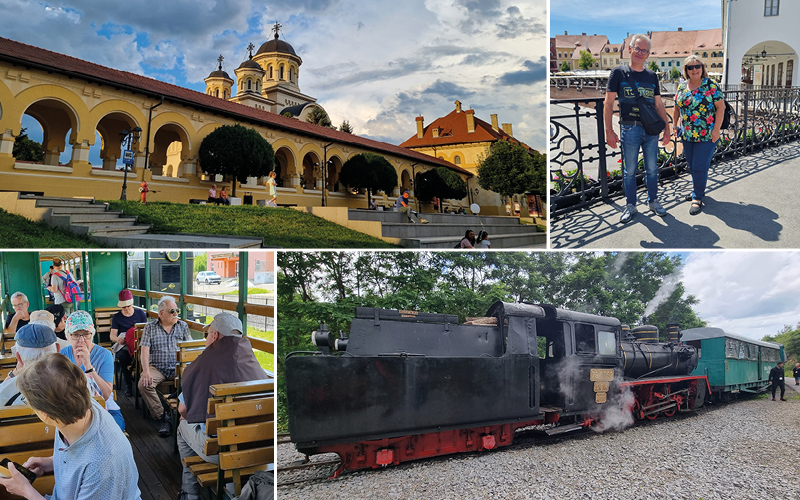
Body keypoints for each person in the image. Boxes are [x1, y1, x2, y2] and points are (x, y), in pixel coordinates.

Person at [0, 353, 142, 500]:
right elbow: (81, 456)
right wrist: (51, 462)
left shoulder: (102, 465)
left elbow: (91, 461)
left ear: (44, 415)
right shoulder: (77, 404)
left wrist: (26, 491)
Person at [176, 312, 268, 500]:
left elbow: (183, 410)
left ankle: (190, 493)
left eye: (207, 333)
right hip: (261, 449)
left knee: (182, 426)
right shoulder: (253, 362)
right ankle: (234, 489)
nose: (206, 338)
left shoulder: (203, 363)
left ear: (215, 335)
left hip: (221, 453)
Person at [604, 33, 671, 223]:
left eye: (645, 50)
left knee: (652, 169)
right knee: (630, 171)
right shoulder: (618, 72)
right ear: (630, 49)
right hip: (629, 128)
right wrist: (609, 130)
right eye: (638, 48)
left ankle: (653, 201)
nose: (640, 53)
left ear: (648, 54)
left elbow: (658, 105)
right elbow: (608, 104)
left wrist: (667, 129)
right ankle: (630, 205)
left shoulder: (651, 76)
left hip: (650, 130)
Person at [671, 55, 725, 216]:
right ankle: (698, 190)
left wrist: (716, 130)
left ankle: (697, 198)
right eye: (690, 67)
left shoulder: (710, 85)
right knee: (693, 165)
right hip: (687, 134)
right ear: (686, 70)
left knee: (699, 166)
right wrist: (674, 125)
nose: (694, 69)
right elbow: (676, 107)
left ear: (702, 68)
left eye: (697, 66)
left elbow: (720, 108)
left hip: (707, 135)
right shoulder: (682, 87)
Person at [61, 311, 125, 430]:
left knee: (112, 432)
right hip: (74, 411)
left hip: (105, 409)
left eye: (86, 334)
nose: (81, 340)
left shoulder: (105, 355)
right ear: (67, 336)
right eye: (75, 334)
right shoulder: (63, 355)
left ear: (92, 334)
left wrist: (88, 366)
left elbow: (106, 395)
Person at [138, 296, 191, 436]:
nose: (176, 314)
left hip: (177, 367)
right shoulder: (150, 327)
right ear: (161, 313)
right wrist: (146, 371)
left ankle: (184, 412)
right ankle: (164, 417)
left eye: (177, 310)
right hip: (157, 366)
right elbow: (144, 350)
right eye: (172, 311)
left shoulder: (182, 326)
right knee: (144, 384)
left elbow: (190, 348)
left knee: (193, 382)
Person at [0, 323, 62, 405]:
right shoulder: (78, 382)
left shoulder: (7, 390)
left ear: (19, 358)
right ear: (58, 349)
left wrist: (13, 375)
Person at [110, 290, 147, 397]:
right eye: (123, 307)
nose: (126, 309)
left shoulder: (140, 313)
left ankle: (140, 383)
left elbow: (146, 330)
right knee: (122, 357)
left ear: (132, 303)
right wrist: (118, 339)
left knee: (143, 357)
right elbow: (112, 335)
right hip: (124, 344)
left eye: (128, 306)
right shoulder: (117, 317)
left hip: (138, 344)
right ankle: (128, 384)